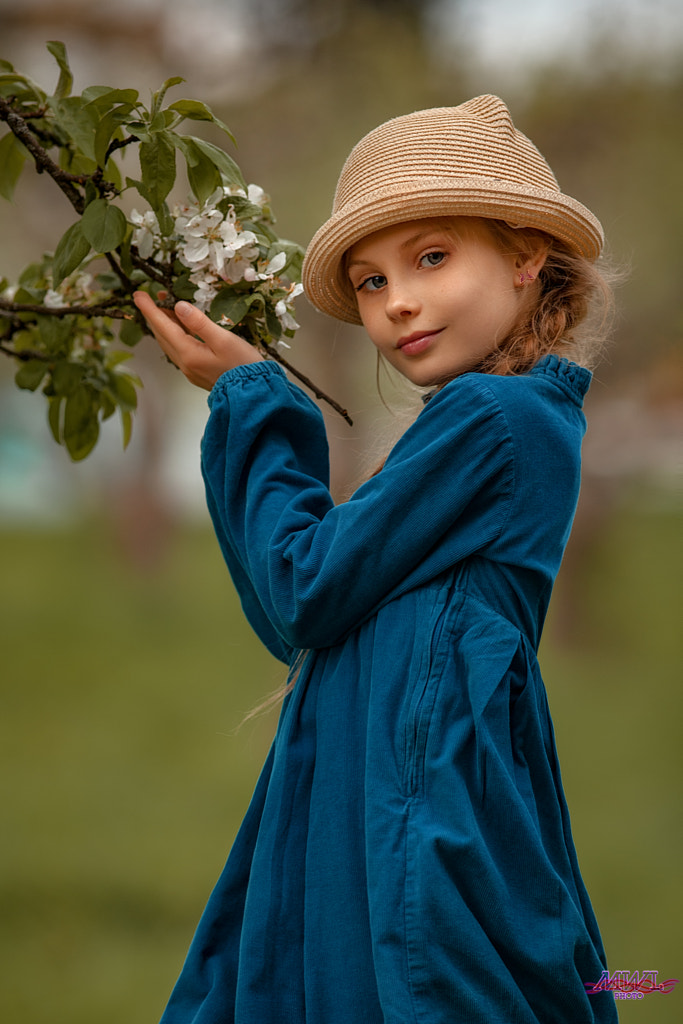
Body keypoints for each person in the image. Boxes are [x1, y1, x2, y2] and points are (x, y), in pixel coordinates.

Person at [134, 95, 618, 1024]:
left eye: (431, 256)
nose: (395, 300)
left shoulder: (493, 418)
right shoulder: (517, 418)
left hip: (415, 818)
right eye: (368, 281)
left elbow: (304, 587)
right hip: (408, 798)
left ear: (525, 257)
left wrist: (253, 402)